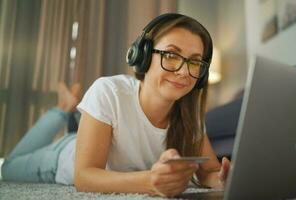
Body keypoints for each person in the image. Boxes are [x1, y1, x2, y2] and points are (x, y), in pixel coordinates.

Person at [2, 13, 230, 197]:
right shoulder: (109, 91)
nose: (182, 71)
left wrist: (223, 178)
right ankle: (62, 110)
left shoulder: (191, 115)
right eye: (171, 55)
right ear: (143, 55)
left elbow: (209, 171)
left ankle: (68, 108)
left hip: (96, 136)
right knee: (7, 168)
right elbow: (84, 177)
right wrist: (151, 181)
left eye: (194, 61)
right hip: (63, 157)